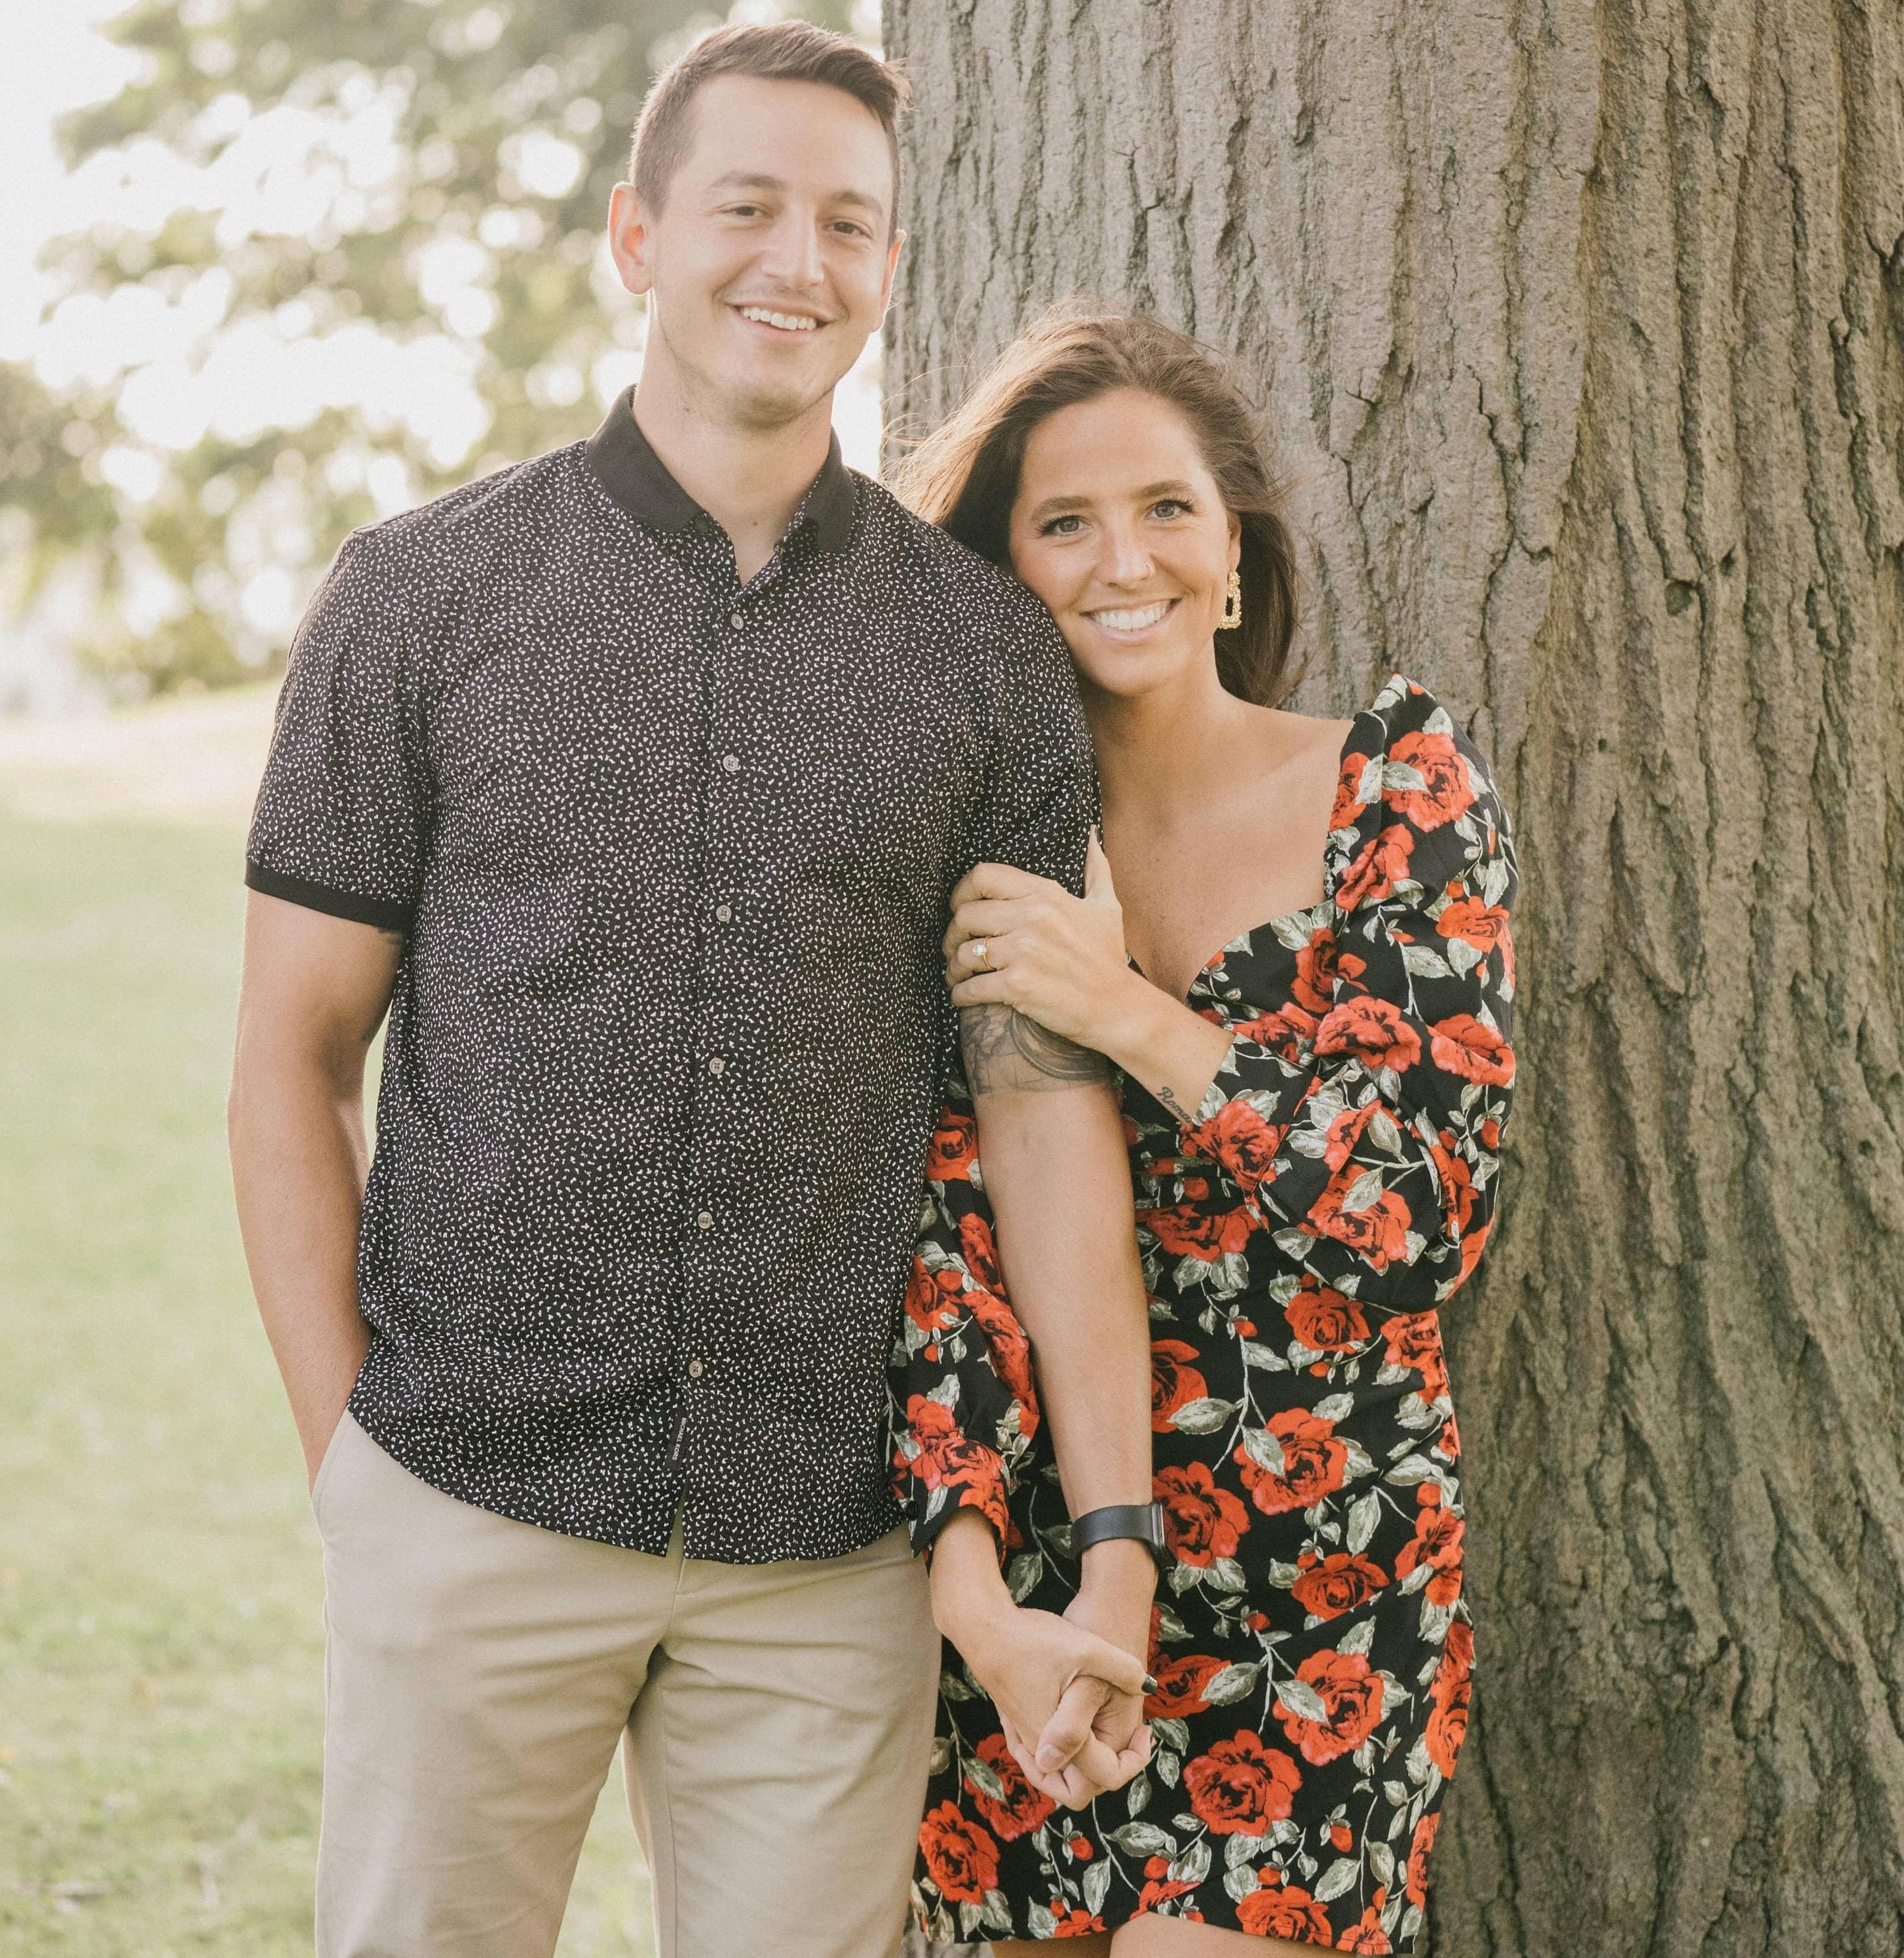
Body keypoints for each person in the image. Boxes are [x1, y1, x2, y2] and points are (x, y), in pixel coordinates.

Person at [225, 26, 1158, 1958]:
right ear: (639, 237)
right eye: (748, 207)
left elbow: (1038, 1106)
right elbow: (291, 1062)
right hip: (467, 1497)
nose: (797, 262)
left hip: (825, 1556)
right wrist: (353, 1471)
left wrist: (1114, 1531)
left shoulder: (982, 656)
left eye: (849, 223)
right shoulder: (415, 599)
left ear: (888, 266)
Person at [890, 312, 1517, 1953]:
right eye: (1065, 523)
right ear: (1003, 576)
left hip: (1326, 1582)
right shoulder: (972, 857)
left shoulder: (1396, 792)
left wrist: (1133, 1016)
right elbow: (946, 1249)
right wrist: (979, 1594)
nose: (1127, 561)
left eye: (1167, 508)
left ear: (1232, 550)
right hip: (1048, 1589)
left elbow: (1420, 1221)